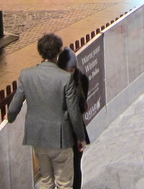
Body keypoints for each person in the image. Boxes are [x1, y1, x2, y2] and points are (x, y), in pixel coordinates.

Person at [7, 32, 89, 189]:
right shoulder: (65, 78)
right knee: (64, 183)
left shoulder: (26, 75)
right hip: (61, 140)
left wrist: (10, 117)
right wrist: (80, 137)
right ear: (58, 53)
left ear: (40, 51)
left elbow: (13, 107)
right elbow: (74, 112)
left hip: (37, 138)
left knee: (46, 181)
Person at [56, 47, 90, 189]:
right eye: (67, 70)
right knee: (62, 172)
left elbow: (78, 111)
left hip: (75, 131)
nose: (70, 72)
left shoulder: (81, 79)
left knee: (76, 167)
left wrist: (79, 137)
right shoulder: (56, 82)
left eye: (72, 69)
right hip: (61, 132)